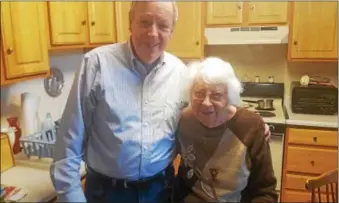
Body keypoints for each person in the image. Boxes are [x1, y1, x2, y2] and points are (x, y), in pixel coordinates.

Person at [49, 2, 272, 203]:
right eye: (145, 22)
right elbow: (67, 146)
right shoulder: (96, 65)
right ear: (130, 23)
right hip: (107, 193)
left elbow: (209, 108)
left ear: (172, 31)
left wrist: (249, 123)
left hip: (161, 191)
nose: (153, 33)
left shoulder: (181, 75)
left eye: (163, 25)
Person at [172, 57, 278, 203]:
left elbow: (265, 191)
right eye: (199, 93)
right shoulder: (183, 120)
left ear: (229, 97)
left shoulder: (250, 127)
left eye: (216, 95)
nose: (206, 103)